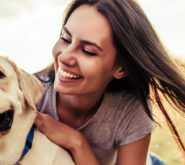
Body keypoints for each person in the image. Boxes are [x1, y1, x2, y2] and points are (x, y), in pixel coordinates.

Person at [34, 0, 185, 165]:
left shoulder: (131, 109)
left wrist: (76, 142)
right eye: (66, 39)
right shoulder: (27, 95)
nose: (64, 57)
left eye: (88, 51)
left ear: (121, 69)